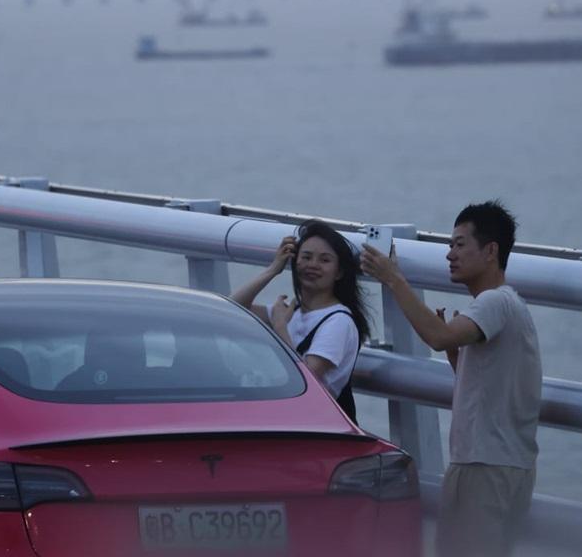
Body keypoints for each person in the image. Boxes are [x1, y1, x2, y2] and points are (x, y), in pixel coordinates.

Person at [361, 200, 541, 557]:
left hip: (484, 467)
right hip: (505, 465)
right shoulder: (506, 307)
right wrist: (458, 359)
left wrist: (393, 278)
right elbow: (494, 383)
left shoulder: (494, 303)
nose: (449, 254)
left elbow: (438, 336)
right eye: (449, 245)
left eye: (459, 244)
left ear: (491, 251)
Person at [232, 219, 371, 423]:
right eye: (306, 257)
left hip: (315, 426)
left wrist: (280, 328)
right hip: (288, 417)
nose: (312, 265)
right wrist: (273, 269)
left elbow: (307, 379)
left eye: (324, 260)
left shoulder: (338, 321)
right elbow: (233, 308)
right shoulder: (293, 310)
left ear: (339, 272)